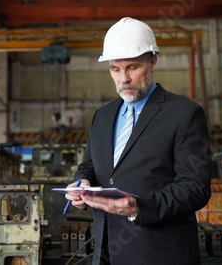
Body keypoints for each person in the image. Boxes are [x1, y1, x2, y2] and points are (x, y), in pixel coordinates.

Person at [65, 17, 212, 264]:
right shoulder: (102, 116)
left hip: (160, 254)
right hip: (106, 253)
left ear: (152, 61)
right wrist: (82, 184)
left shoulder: (185, 113)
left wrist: (139, 207)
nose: (124, 78)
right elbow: (89, 166)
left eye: (132, 67)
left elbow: (195, 188)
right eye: (115, 69)